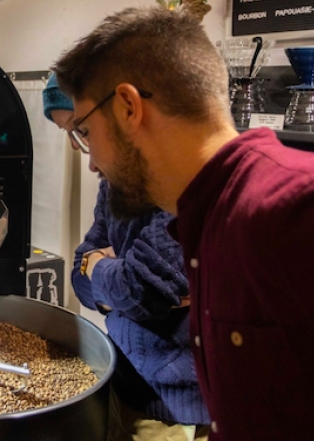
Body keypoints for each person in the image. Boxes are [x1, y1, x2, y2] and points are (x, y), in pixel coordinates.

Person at [51, 5, 314, 441]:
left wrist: (103, 272)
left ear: (128, 107)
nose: (90, 162)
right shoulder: (204, 214)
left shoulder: (302, 208)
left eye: (85, 131)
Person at [42, 74, 209, 441]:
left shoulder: (174, 179)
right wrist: (107, 270)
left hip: (175, 401)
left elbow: (142, 291)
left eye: (81, 131)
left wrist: (102, 268)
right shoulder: (114, 183)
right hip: (126, 375)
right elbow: (81, 272)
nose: (84, 156)